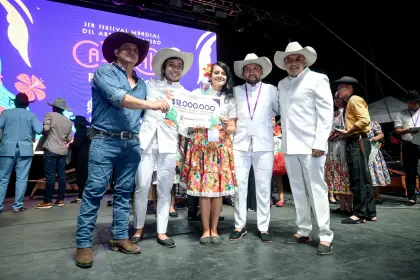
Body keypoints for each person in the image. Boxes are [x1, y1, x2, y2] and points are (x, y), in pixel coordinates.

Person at [75, 32, 170, 269]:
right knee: (95, 190)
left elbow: (158, 106)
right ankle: (83, 244)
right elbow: (118, 98)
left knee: (124, 192)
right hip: (104, 140)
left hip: (132, 143)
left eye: (136, 50)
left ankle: (119, 237)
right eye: (126, 47)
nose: (132, 51)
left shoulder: (142, 84)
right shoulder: (104, 72)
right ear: (115, 52)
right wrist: (152, 104)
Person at [275, 42, 334, 255]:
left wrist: (320, 142)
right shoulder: (282, 84)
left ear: (305, 60)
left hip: (312, 146)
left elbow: (326, 113)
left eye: (297, 59)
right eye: (289, 60)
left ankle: (326, 235)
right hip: (290, 146)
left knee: (317, 189)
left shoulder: (318, 79)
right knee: (298, 191)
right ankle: (303, 230)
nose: (292, 63)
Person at [131, 48, 193, 248]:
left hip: (169, 144)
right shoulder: (148, 85)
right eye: (172, 65)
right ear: (164, 67)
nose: (175, 69)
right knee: (142, 186)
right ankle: (138, 228)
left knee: (165, 189)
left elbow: (185, 123)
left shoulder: (185, 94)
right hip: (146, 142)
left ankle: (162, 231)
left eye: (179, 66)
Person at [180, 61, 237, 245]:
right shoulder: (198, 94)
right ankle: (205, 230)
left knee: (218, 191)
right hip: (201, 145)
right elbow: (186, 120)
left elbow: (233, 128)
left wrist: (226, 123)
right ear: (209, 75)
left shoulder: (229, 99)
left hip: (221, 146)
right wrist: (194, 122)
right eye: (216, 73)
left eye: (223, 73)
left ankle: (215, 229)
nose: (220, 76)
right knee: (204, 190)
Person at [229, 53, 279, 243]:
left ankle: (263, 227)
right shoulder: (235, 91)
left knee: (264, 187)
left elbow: (280, 110)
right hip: (240, 145)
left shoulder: (271, 90)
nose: (251, 71)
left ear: (262, 72)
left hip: (264, 145)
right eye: (247, 69)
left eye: (255, 68)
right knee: (239, 187)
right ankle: (239, 226)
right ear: (243, 73)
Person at [333, 76, 376, 223]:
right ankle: (370, 212)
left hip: (357, 140)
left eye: (340, 88)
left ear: (349, 89)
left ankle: (359, 214)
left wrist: (348, 131)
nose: (338, 92)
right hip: (357, 139)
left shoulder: (354, 99)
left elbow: (364, 120)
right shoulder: (349, 103)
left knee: (357, 177)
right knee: (364, 178)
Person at [0, 93, 42, 213]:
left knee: (2, 178)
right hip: (25, 149)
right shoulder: (31, 115)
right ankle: (17, 206)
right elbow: (39, 130)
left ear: (14, 102)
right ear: (27, 104)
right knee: (21, 178)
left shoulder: (6, 113)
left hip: (7, 148)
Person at [36, 98, 73, 209]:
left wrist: (47, 134)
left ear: (54, 107)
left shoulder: (49, 115)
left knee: (50, 176)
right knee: (62, 175)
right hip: (62, 151)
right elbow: (69, 138)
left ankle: (47, 201)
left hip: (51, 149)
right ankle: (60, 199)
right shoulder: (68, 121)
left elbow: (46, 129)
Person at [325, 94, 352, 215]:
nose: (337, 101)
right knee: (337, 176)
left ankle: (350, 206)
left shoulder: (349, 112)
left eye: (339, 98)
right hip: (334, 148)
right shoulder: (333, 115)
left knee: (347, 176)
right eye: (335, 99)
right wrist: (330, 135)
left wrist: (342, 133)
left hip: (346, 147)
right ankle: (342, 206)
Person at [393, 90, 420, 206]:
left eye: (413, 102)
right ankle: (411, 197)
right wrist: (409, 130)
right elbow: (397, 130)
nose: (411, 104)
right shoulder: (401, 113)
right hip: (409, 143)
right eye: (409, 102)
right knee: (410, 170)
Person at [69, 116, 91, 204]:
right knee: (86, 176)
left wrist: (70, 145)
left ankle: (81, 196)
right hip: (87, 156)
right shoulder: (87, 131)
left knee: (81, 177)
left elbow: (76, 145)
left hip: (81, 157)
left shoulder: (79, 132)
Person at [272, 116, 286, 207]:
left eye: (273, 119)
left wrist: (274, 133)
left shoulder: (278, 128)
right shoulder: (262, 128)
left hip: (277, 156)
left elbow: (280, 136)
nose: (272, 121)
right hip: (267, 156)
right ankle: (268, 198)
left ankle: (281, 198)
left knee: (278, 179)